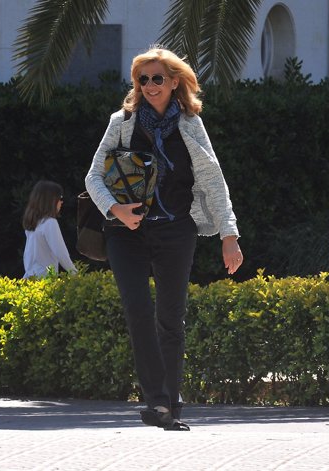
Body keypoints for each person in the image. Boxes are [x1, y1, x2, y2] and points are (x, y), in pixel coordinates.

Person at [85, 46, 242, 431]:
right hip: (126, 233)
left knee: (171, 318)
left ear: (174, 82)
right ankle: (157, 401)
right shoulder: (122, 122)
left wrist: (229, 234)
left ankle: (170, 401)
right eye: (143, 79)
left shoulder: (190, 124)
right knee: (138, 312)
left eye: (158, 78)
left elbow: (212, 179)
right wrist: (116, 210)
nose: (150, 85)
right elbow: (93, 177)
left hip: (175, 229)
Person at [22, 180, 76, 277]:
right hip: (45, 278)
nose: (61, 202)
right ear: (51, 200)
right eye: (60, 198)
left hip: (30, 277)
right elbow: (61, 253)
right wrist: (75, 274)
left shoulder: (34, 223)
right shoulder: (50, 223)